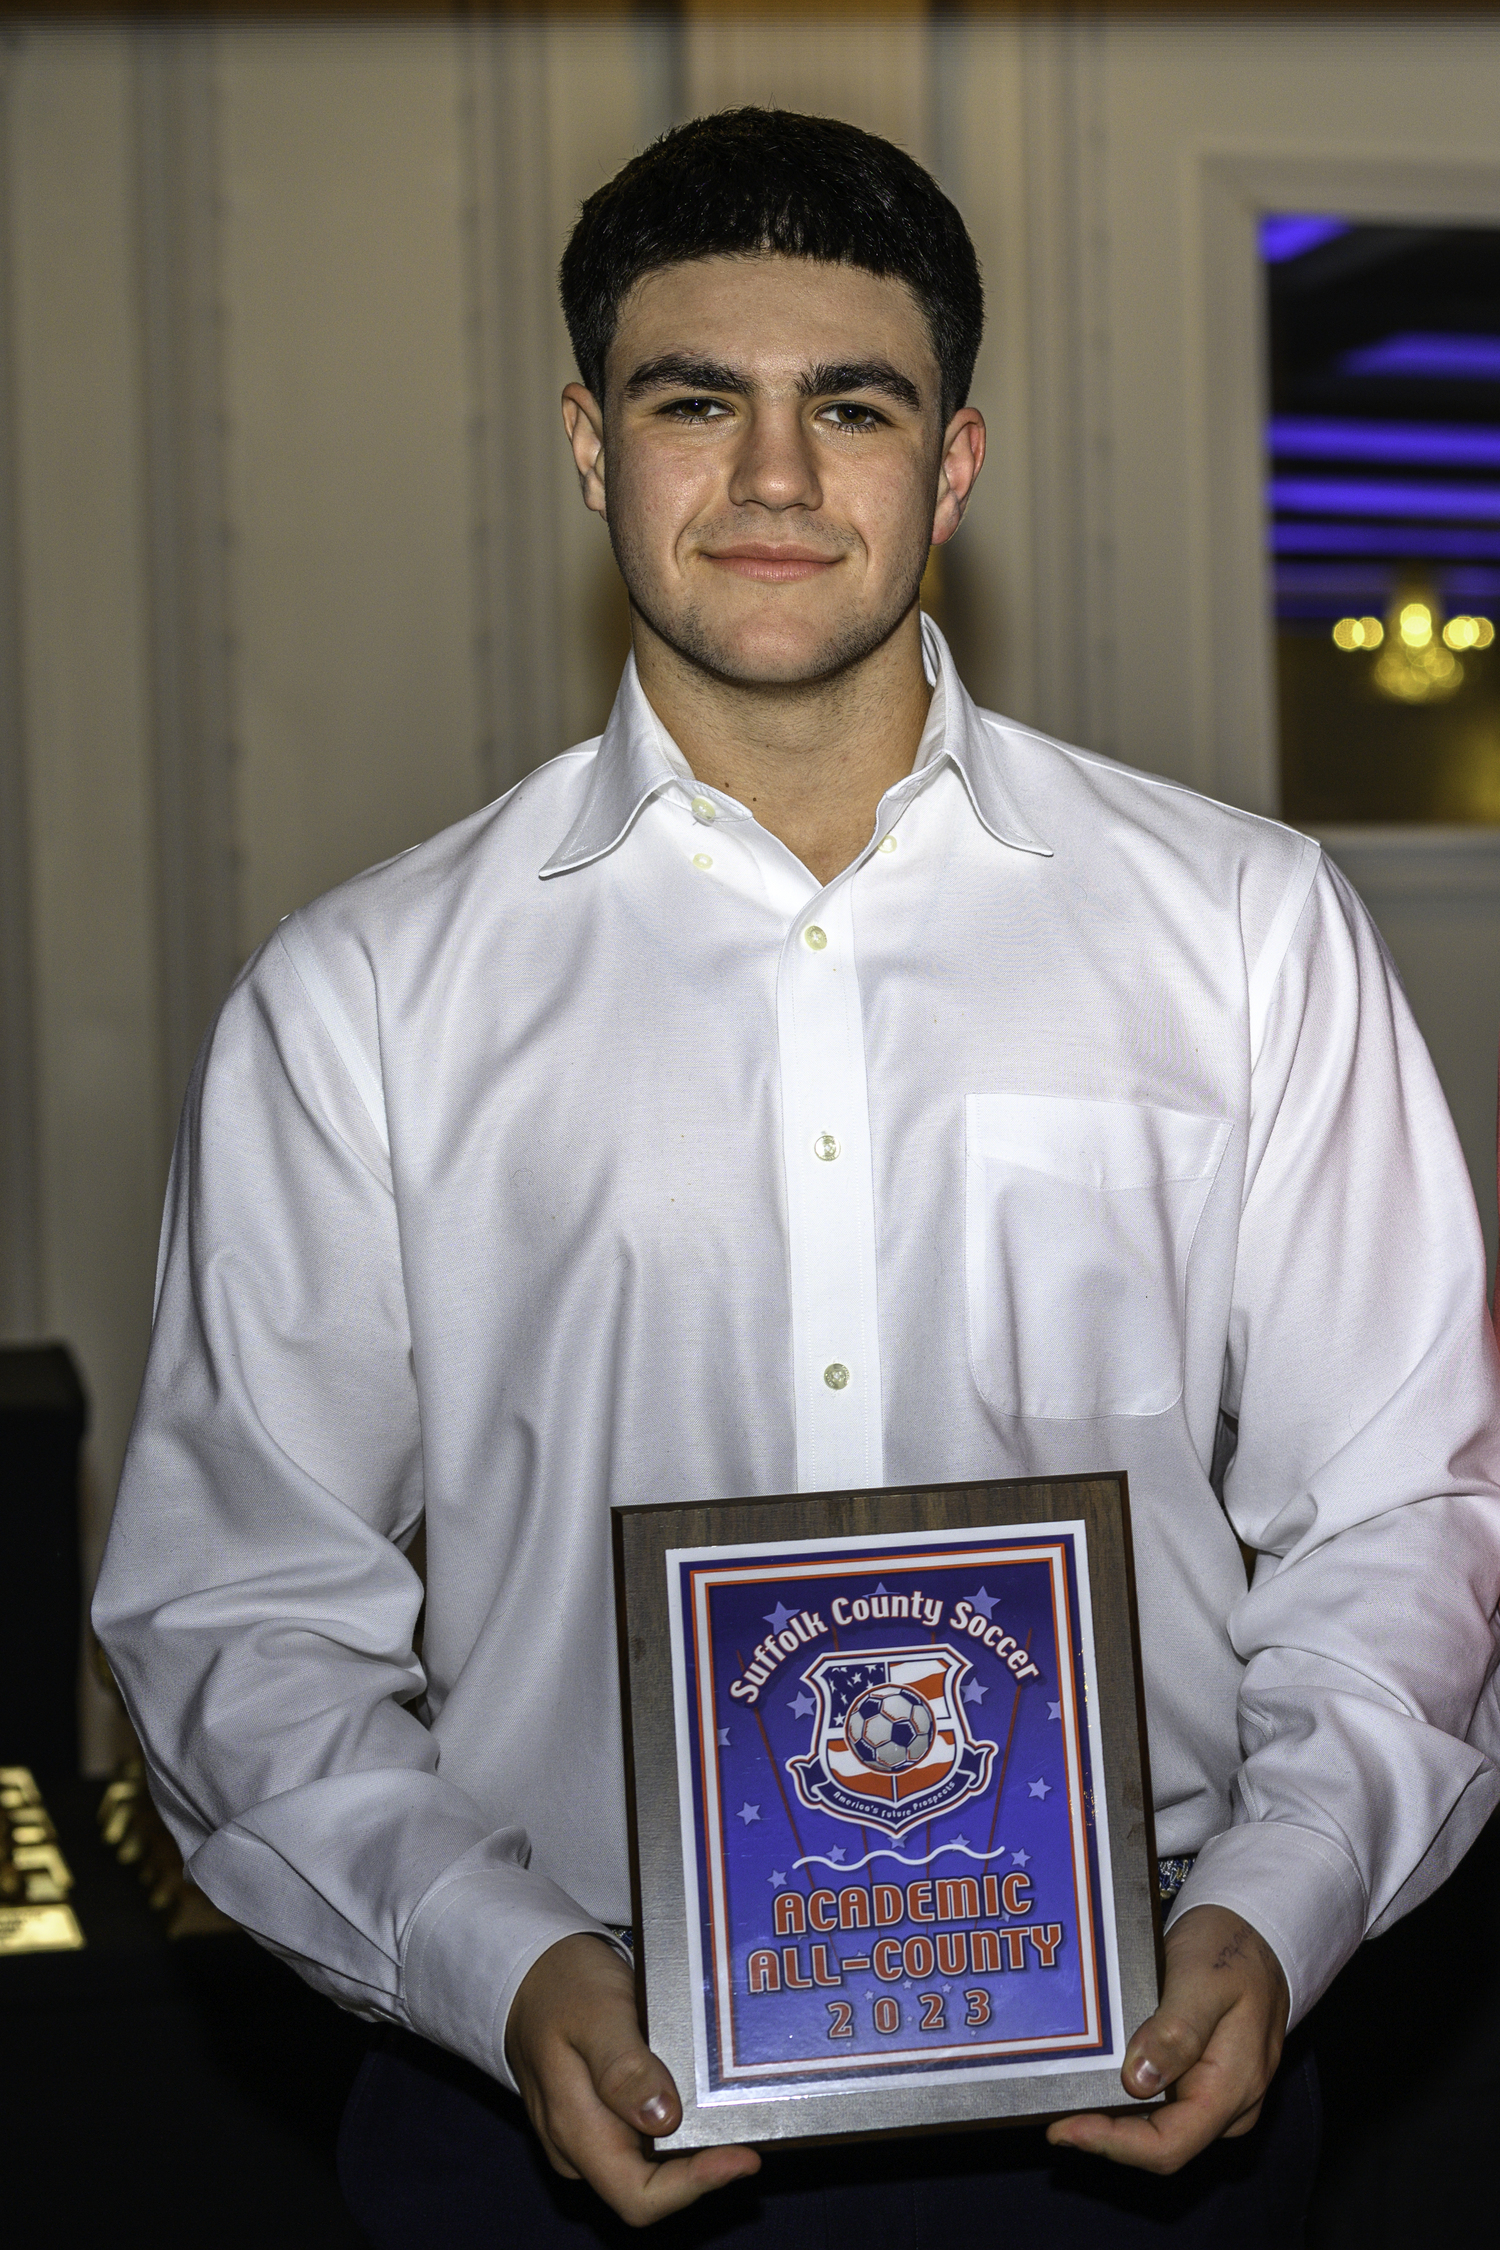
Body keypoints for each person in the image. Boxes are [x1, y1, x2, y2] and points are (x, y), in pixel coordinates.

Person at [95, 109, 1500, 2247]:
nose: (770, 479)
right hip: (551, 2106)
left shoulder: (1245, 927)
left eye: (850, 407)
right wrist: (499, 1961)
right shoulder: (363, 996)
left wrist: (1283, 1908)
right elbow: (235, 1609)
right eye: (695, 403)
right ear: (590, 446)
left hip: (1136, 2081)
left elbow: (1409, 1513)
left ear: (950, 466)